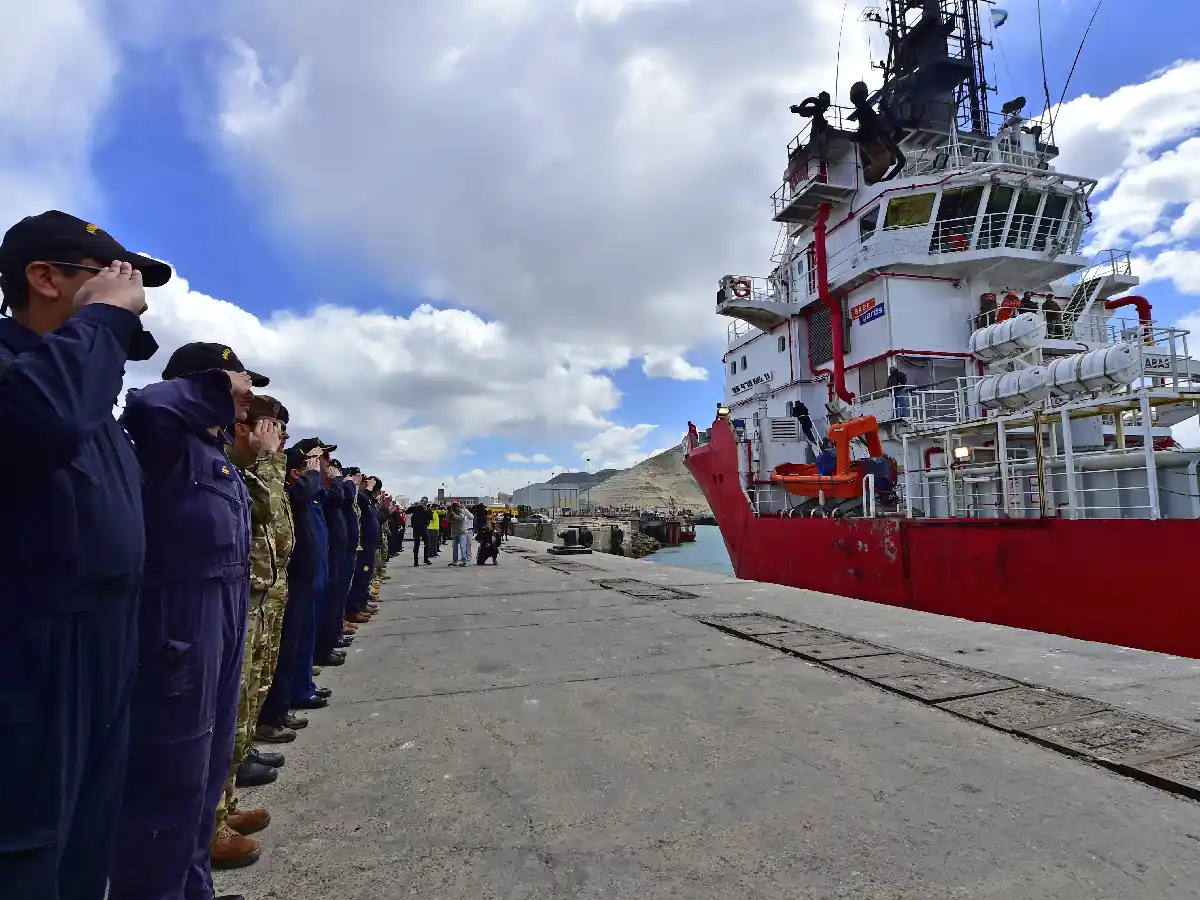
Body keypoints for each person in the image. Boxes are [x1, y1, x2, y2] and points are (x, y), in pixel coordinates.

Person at [0, 212, 170, 900]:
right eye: (110, 279)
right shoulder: (31, 378)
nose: (132, 298)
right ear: (44, 278)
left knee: (84, 850)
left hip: (104, 645)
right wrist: (100, 323)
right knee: (28, 855)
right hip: (33, 659)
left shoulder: (86, 390)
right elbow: (44, 420)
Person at [108, 341, 265, 900]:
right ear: (206, 385)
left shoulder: (215, 454)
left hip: (222, 615)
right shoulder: (166, 440)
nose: (249, 396)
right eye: (239, 383)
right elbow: (146, 404)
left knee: (205, 769)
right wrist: (215, 388)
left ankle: (194, 889)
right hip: (180, 619)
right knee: (169, 777)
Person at [210, 396, 285, 871]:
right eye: (268, 425)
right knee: (226, 711)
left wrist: (272, 458)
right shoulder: (207, 462)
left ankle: (226, 804)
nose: (275, 434)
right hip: (233, 598)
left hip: (257, 593)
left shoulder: (245, 471)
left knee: (245, 702)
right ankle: (212, 820)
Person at [258, 447, 326, 743]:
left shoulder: (304, 490)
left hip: (298, 576)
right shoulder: (291, 487)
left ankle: (288, 699)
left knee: (290, 646)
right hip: (279, 579)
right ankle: (273, 713)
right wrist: (313, 473)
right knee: (280, 652)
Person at [407, 498, 433, 566]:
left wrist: (427, 510)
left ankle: (426, 559)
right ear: (420, 501)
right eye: (422, 501)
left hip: (423, 528)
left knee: (427, 543)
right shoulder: (416, 507)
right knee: (416, 545)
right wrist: (414, 506)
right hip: (416, 528)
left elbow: (431, 517)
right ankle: (416, 561)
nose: (424, 503)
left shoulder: (427, 509)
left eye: (425, 502)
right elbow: (407, 511)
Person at [448, 501, 469, 567]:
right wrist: (449, 513)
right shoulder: (452, 511)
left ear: (458, 506)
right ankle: (455, 561)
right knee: (454, 547)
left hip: (462, 532)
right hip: (455, 532)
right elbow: (448, 519)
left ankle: (464, 561)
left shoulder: (462, 511)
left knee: (462, 547)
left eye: (455, 506)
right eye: (453, 506)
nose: (454, 507)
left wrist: (453, 514)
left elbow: (459, 518)